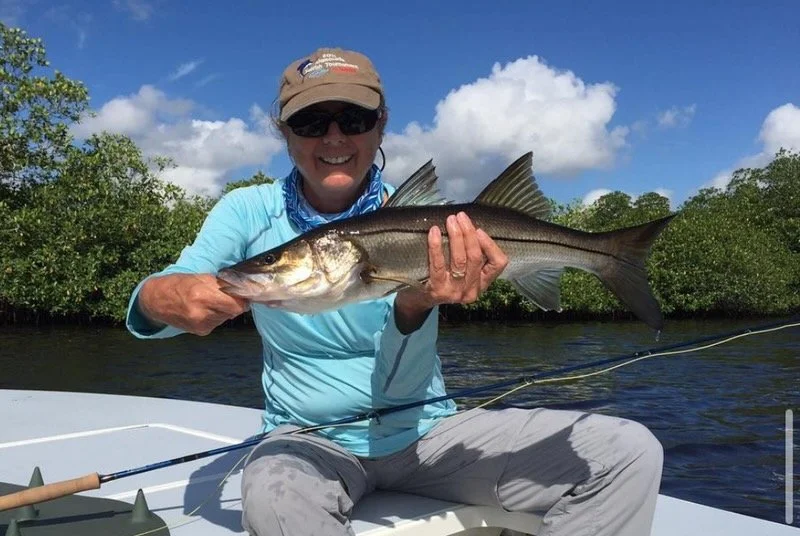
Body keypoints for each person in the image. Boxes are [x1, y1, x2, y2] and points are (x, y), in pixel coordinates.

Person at [126, 47, 664, 536]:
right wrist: (162, 300)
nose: (334, 139)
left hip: (428, 433)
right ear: (284, 132)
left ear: (380, 127)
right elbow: (153, 299)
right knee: (271, 499)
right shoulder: (247, 212)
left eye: (354, 120)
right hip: (307, 443)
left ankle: (608, 255)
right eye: (311, 122)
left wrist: (415, 303)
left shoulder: (422, 221)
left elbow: (398, 382)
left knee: (628, 453)